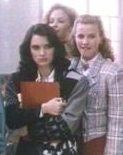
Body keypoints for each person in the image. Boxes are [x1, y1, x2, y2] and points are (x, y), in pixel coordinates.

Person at [5, 23, 89, 155]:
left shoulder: (76, 81)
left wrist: (24, 131)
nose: (42, 53)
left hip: (63, 150)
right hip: (26, 152)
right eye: (36, 48)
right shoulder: (15, 80)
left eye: (48, 46)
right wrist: (43, 109)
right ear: (28, 50)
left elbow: (65, 128)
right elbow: (11, 119)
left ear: (55, 48)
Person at [70, 14, 123, 155]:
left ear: (100, 38)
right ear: (74, 38)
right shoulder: (68, 68)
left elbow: (116, 123)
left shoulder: (114, 72)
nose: (85, 41)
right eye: (80, 36)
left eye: (91, 36)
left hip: (97, 144)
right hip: (70, 144)